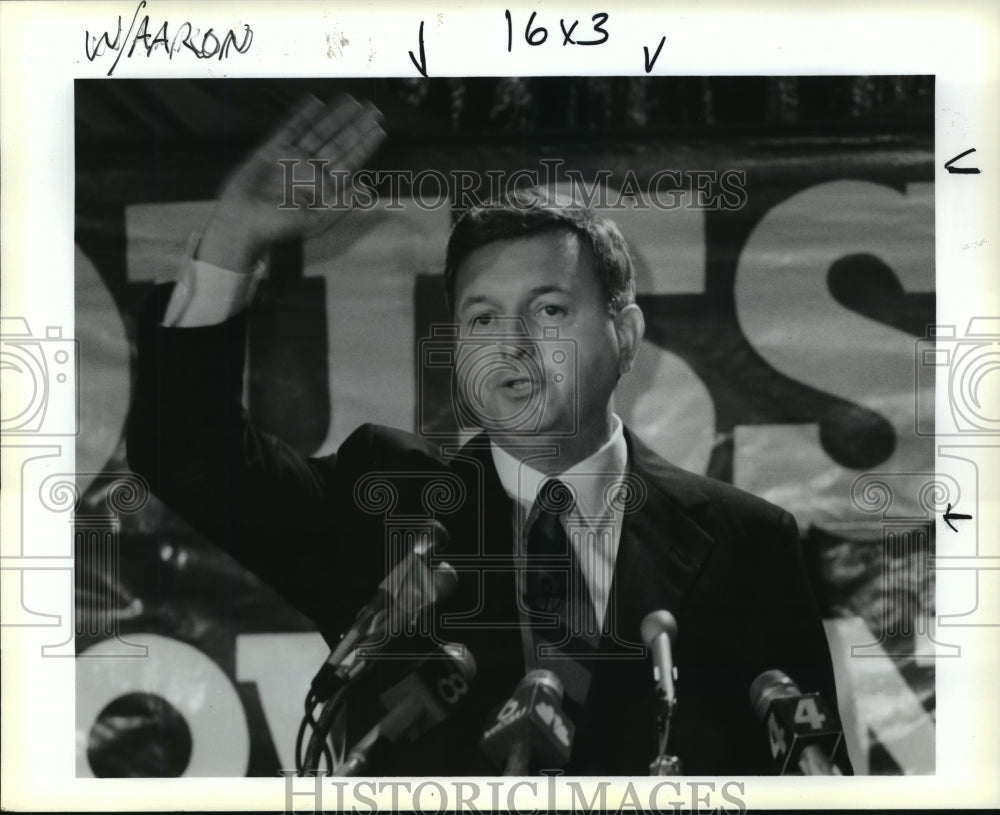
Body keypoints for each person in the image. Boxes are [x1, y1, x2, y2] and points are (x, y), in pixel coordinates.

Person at [127, 94, 850, 776]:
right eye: (482, 319)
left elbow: (811, 769)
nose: (512, 344)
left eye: (550, 311)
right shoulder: (386, 503)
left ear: (624, 335)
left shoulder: (746, 544)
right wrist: (235, 236)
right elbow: (189, 452)